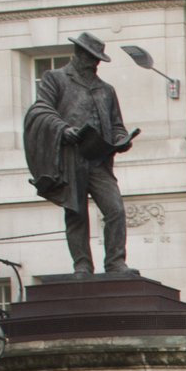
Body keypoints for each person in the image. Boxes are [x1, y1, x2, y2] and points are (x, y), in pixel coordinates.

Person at [22, 31, 135, 276]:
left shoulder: (106, 90)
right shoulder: (56, 78)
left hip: (99, 158)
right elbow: (40, 111)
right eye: (92, 57)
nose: (95, 63)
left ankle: (115, 261)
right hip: (71, 156)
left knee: (115, 209)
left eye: (98, 59)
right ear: (79, 54)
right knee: (76, 213)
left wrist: (121, 140)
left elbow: (116, 125)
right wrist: (63, 130)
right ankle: (82, 264)